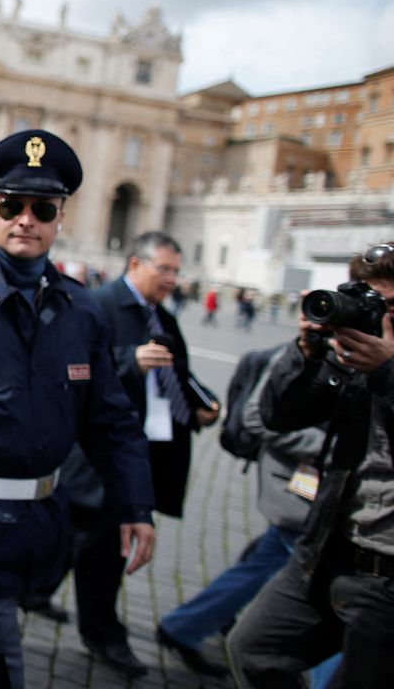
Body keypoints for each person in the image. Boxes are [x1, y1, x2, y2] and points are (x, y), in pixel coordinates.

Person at [0, 129, 155, 689]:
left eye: (42, 208)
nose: (25, 219)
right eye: (11, 205)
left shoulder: (84, 310)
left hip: (45, 527)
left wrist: (136, 505)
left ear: (60, 219)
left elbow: (111, 420)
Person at [227, 242, 394, 689]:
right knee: (254, 649)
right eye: (365, 299)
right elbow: (278, 416)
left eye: (386, 305)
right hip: (328, 551)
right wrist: (308, 353)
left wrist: (388, 371)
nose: (373, 314)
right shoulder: (355, 356)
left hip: (387, 576)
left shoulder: (380, 363)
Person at [67, 232, 220, 678]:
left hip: (149, 447)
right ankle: (102, 632)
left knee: (92, 540)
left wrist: (196, 408)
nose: (172, 278)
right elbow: (76, 370)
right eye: (164, 269)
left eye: (176, 271)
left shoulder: (163, 317)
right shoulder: (98, 303)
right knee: (99, 543)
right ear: (136, 263)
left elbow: (181, 375)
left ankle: (49, 598)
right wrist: (129, 359)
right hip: (102, 453)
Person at [155, 343, 320, 677]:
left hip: (316, 489)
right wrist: (331, 447)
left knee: (266, 556)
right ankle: (189, 624)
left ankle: (189, 624)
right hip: (302, 486)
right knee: (294, 571)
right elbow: (258, 420)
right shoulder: (304, 354)